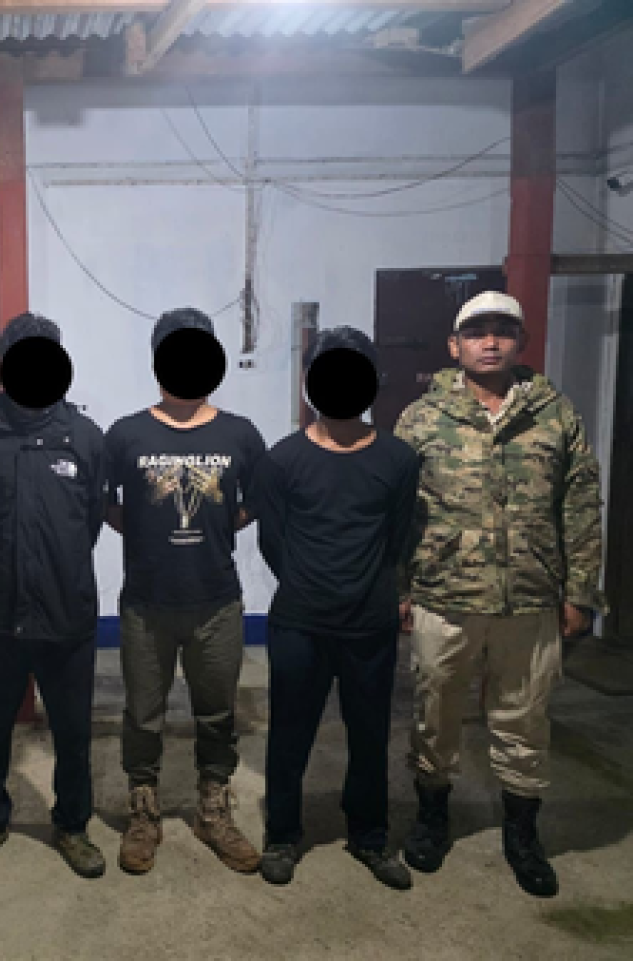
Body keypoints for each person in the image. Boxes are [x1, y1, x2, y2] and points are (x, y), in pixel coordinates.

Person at [394, 291, 605, 898]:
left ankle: (522, 835)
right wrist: (400, 590)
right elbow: (397, 511)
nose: (490, 342)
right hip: (445, 597)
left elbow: (581, 504)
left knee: (524, 720)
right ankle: (433, 818)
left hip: (529, 600)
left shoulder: (555, 415)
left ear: (522, 343)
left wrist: (580, 591)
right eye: (476, 332)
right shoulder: (421, 418)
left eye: (503, 331)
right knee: (435, 717)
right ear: (454, 346)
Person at [250, 326, 419, 890]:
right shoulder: (282, 460)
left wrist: (376, 589)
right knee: (289, 733)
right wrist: (310, 585)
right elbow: (272, 541)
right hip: (300, 622)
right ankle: (282, 834)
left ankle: (369, 835)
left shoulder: (398, 459)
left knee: (370, 734)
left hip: (370, 621)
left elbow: (398, 538)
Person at [104, 308, 266, 875]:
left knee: (216, 713)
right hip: (145, 604)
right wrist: (141, 531)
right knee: (143, 714)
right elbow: (102, 500)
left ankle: (213, 809)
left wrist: (221, 527)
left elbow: (259, 498)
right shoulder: (126, 433)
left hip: (216, 601)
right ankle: (143, 810)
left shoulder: (240, 433)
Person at [0, 312, 109, 878]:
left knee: (72, 731)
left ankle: (72, 826)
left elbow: (89, 522)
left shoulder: (86, 438)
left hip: (66, 613)